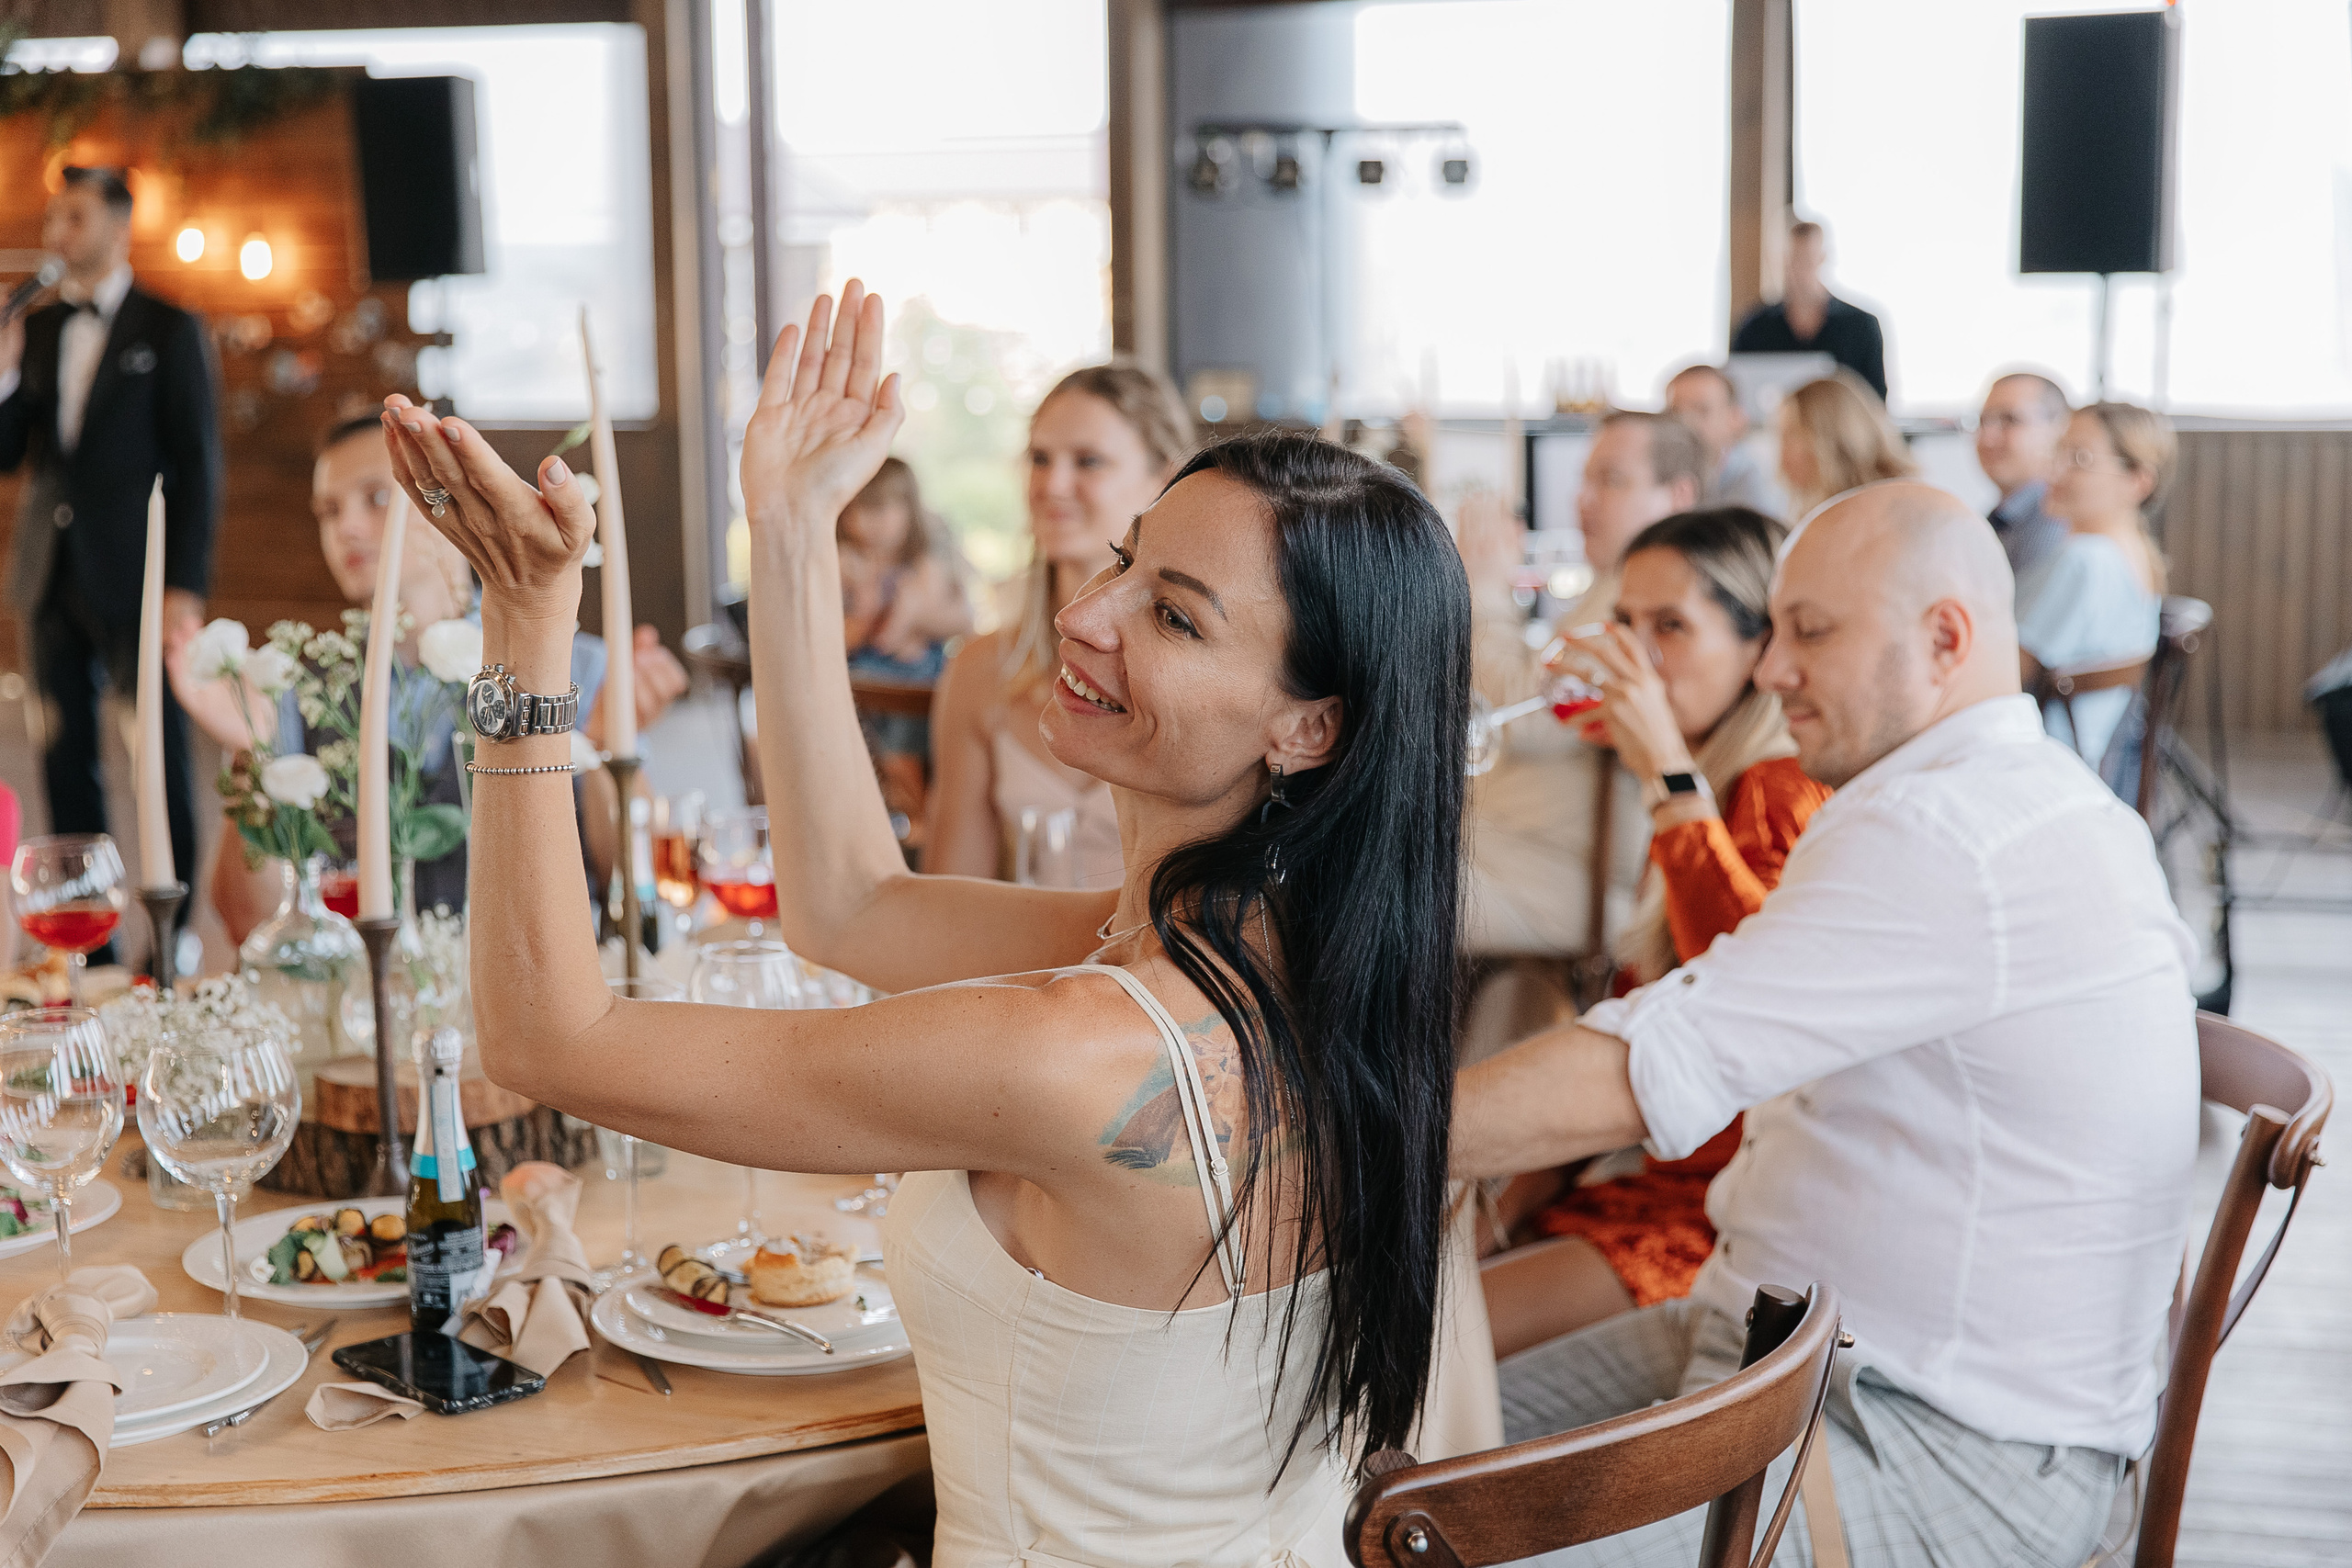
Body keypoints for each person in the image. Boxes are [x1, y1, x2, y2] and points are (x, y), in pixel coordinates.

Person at [383, 284, 1471, 1565]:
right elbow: (852, 900)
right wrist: (787, 526)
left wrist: (526, 637)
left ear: (1309, 726)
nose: (1084, 613)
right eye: (1127, 562)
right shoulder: (1295, 963)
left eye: (1174, 615)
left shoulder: (1074, 1047)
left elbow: (547, 1038)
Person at [1454, 481, 2198, 1566]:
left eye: (1809, 632)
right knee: (1395, 1462)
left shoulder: (1950, 827)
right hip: (1772, 1350)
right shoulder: (1984, 793)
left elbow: (1656, 1061)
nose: (1771, 669)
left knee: (1426, 1518)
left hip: (1932, 1441)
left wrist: (1340, 1144)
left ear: (1944, 637)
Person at [1484, 507, 1830, 1348]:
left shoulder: (1776, 788)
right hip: (1650, 1179)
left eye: (1670, 626)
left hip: (1726, 1226)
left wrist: (1667, 771)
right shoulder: (1706, 782)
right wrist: (1508, 1204)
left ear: (1760, 648)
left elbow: (1750, 1005)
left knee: (1429, 1342)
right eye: (1625, 624)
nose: (1635, 657)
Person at [174, 413, 687, 941]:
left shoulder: (573, 667)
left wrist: (601, 748)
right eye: (329, 511)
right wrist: (252, 756)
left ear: (453, 499)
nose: (344, 527)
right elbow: (248, 921)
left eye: (375, 498)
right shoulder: (298, 692)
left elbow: (641, 896)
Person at [0, 166, 220, 961]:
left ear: (119, 226)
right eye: (54, 215)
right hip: (48, 572)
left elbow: (198, 466)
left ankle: (174, 931)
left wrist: (185, 586)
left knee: (153, 753)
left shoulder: (169, 328)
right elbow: (9, 452)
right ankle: (86, 940)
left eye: (76, 215)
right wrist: (1, 369)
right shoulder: (46, 329)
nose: (59, 230)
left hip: (140, 577)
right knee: (63, 758)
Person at [1454, 414, 1708, 1049]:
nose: (1584, 498)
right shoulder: (1613, 589)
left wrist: (1485, 588)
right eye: (1585, 478)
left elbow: (1526, 722)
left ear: (1677, 497)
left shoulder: (1642, 603)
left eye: (1612, 480)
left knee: (1349, 887)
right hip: (1507, 852)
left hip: (1554, 873)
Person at [924, 364, 1192, 888]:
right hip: (1021, 967)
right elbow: (954, 895)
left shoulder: (1195, 674)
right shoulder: (980, 671)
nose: (1053, 484)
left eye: (1088, 461)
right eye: (1039, 459)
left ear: (1166, 477)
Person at [2020, 401, 2170, 782]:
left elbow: (2002, 674)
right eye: (2058, 452)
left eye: (2080, 458)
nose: (2055, 470)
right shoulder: (2136, 554)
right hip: (2091, 761)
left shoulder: (2086, 561)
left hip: (2038, 764)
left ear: (2137, 481)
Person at [838, 456, 971, 685]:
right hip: (864, 673)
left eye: (876, 509)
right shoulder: (846, 561)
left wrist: (908, 615)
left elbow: (964, 622)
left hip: (921, 675)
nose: (861, 522)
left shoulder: (926, 560)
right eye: (852, 511)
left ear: (909, 507)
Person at [1732, 220, 1889, 400]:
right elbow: (1736, 392)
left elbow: (1876, 399)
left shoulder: (1861, 325)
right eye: (1790, 260)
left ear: (1822, 258)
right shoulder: (1754, 327)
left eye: (1805, 259)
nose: (1797, 270)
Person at [1974, 370, 2071, 593]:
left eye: (2010, 420)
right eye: (1983, 421)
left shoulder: (2056, 524)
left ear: (2059, 429)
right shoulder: (1998, 520)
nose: (1988, 437)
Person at [1777, 371, 1916, 518]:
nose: (1781, 456)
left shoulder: (1900, 510)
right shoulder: (1813, 514)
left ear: (1828, 441)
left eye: (1790, 436)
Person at [1665, 365, 1785, 517]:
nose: (1686, 422)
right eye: (1675, 412)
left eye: (1702, 410)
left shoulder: (1753, 482)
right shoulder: (1655, 476)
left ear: (1735, 419)